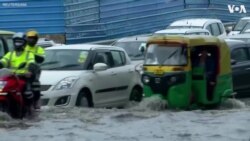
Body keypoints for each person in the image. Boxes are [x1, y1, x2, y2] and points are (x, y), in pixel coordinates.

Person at [0, 32, 36, 112]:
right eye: (16, 41)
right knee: (1, 89)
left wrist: (29, 70)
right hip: (10, 77)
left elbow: (31, 62)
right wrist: (1, 63)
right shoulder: (10, 54)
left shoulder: (28, 54)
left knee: (28, 93)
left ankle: (29, 110)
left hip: (23, 78)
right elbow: (3, 61)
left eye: (20, 41)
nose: (17, 43)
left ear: (24, 42)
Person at [25, 30, 45, 109]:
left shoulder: (39, 49)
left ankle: (36, 102)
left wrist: (32, 55)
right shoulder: (24, 47)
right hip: (23, 70)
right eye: (30, 38)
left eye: (33, 38)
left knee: (35, 85)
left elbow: (41, 58)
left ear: (36, 39)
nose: (31, 40)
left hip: (35, 71)